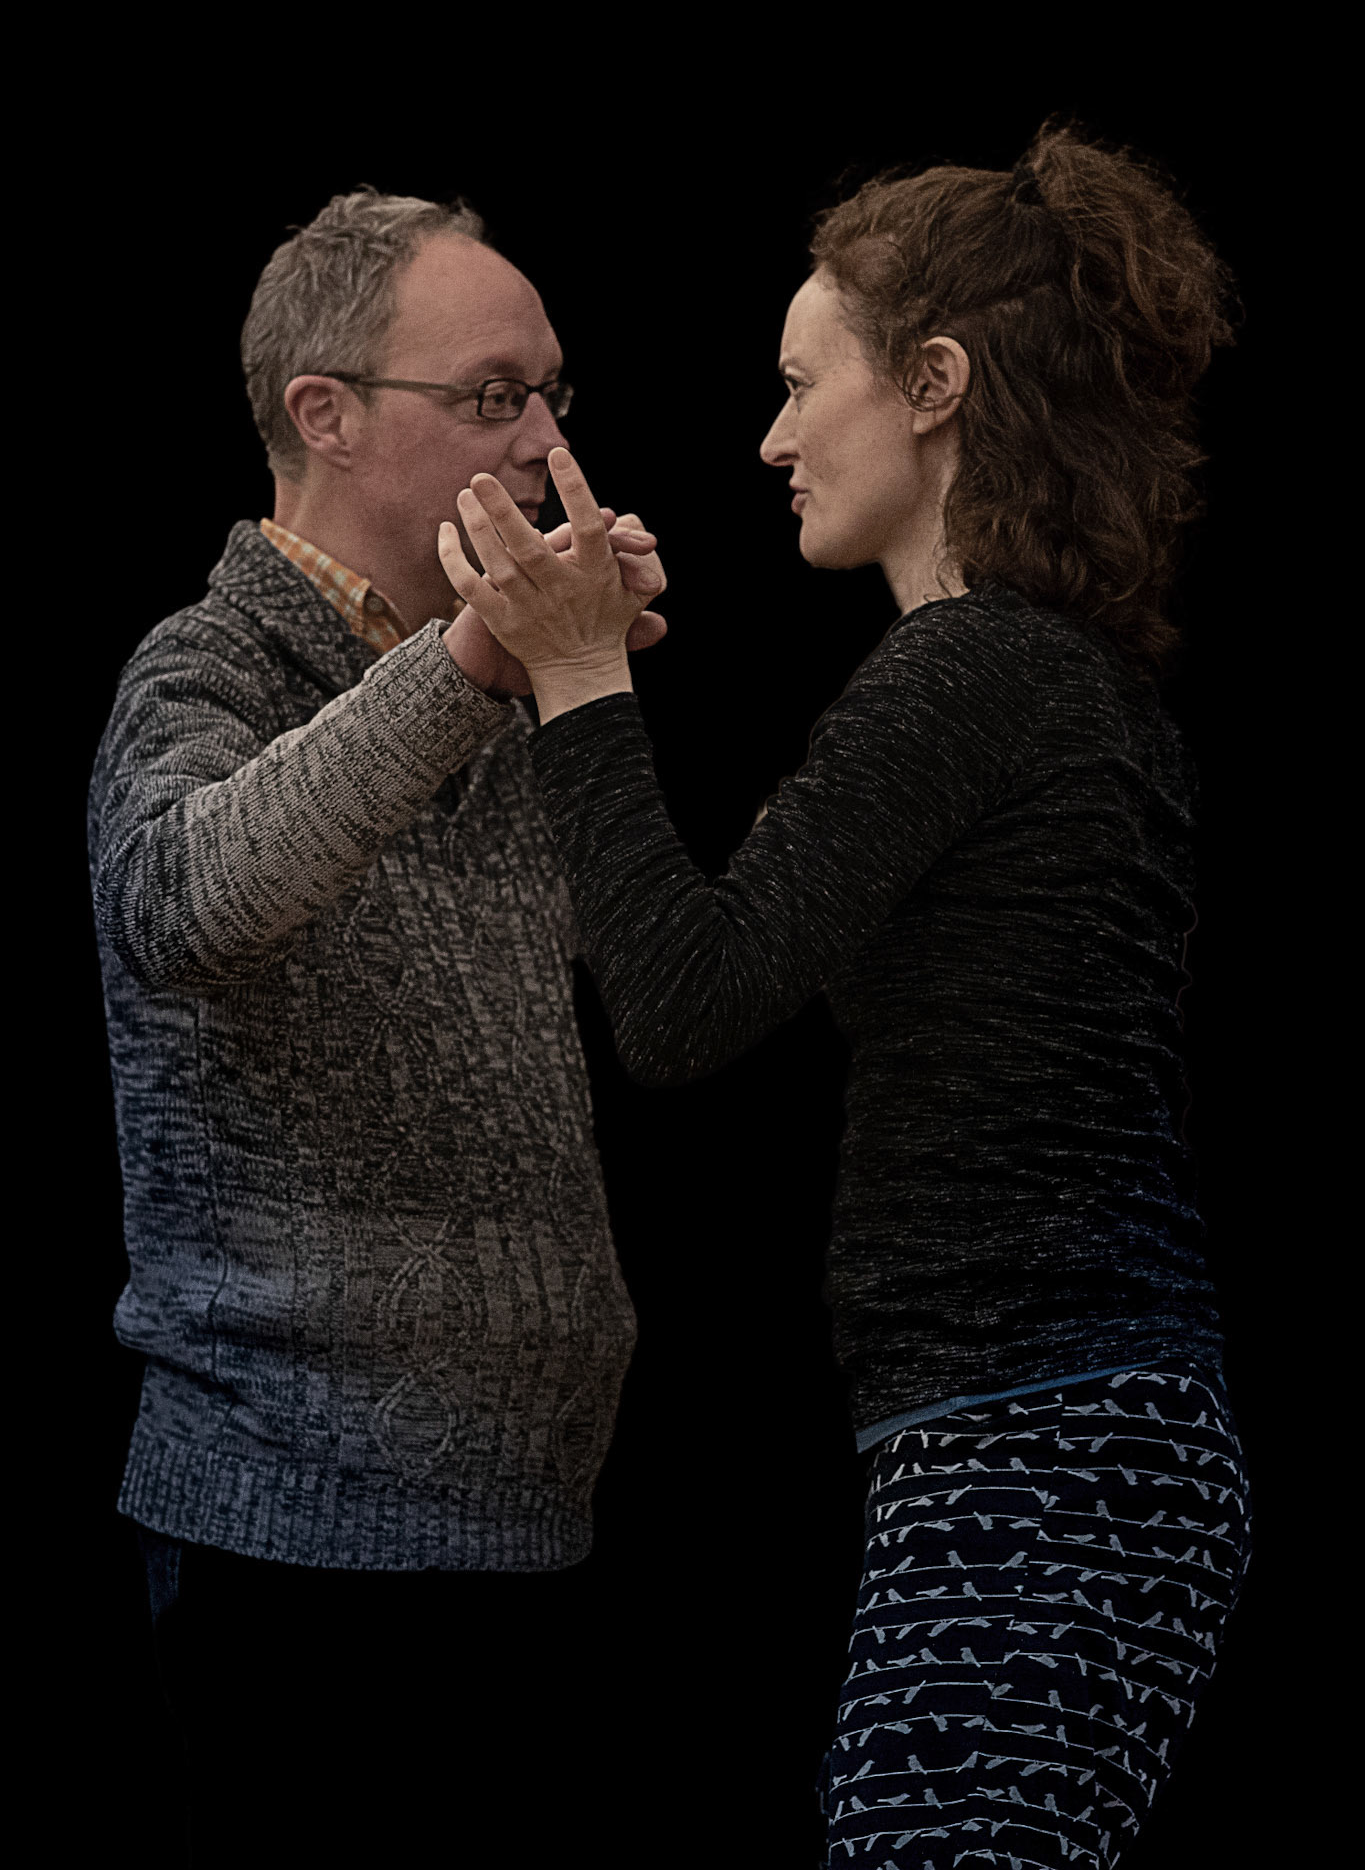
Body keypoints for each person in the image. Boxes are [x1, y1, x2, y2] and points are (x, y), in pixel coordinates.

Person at [434, 119, 1253, 1868]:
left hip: (1043, 1445)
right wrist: (557, 686)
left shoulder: (972, 676)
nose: (771, 438)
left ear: (935, 385)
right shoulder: (1034, 679)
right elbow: (682, 942)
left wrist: (578, 675)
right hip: (1056, 1439)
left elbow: (680, 1004)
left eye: (803, 385)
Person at [86, 189, 668, 1865]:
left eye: (551, 394)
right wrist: (478, 661)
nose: (548, 445)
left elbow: (665, 1005)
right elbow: (181, 902)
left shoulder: (490, 691)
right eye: (493, 397)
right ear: (324, 414)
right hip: (297, 1544)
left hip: (531, 1521)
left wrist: (580, 692)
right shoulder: (203, 665)